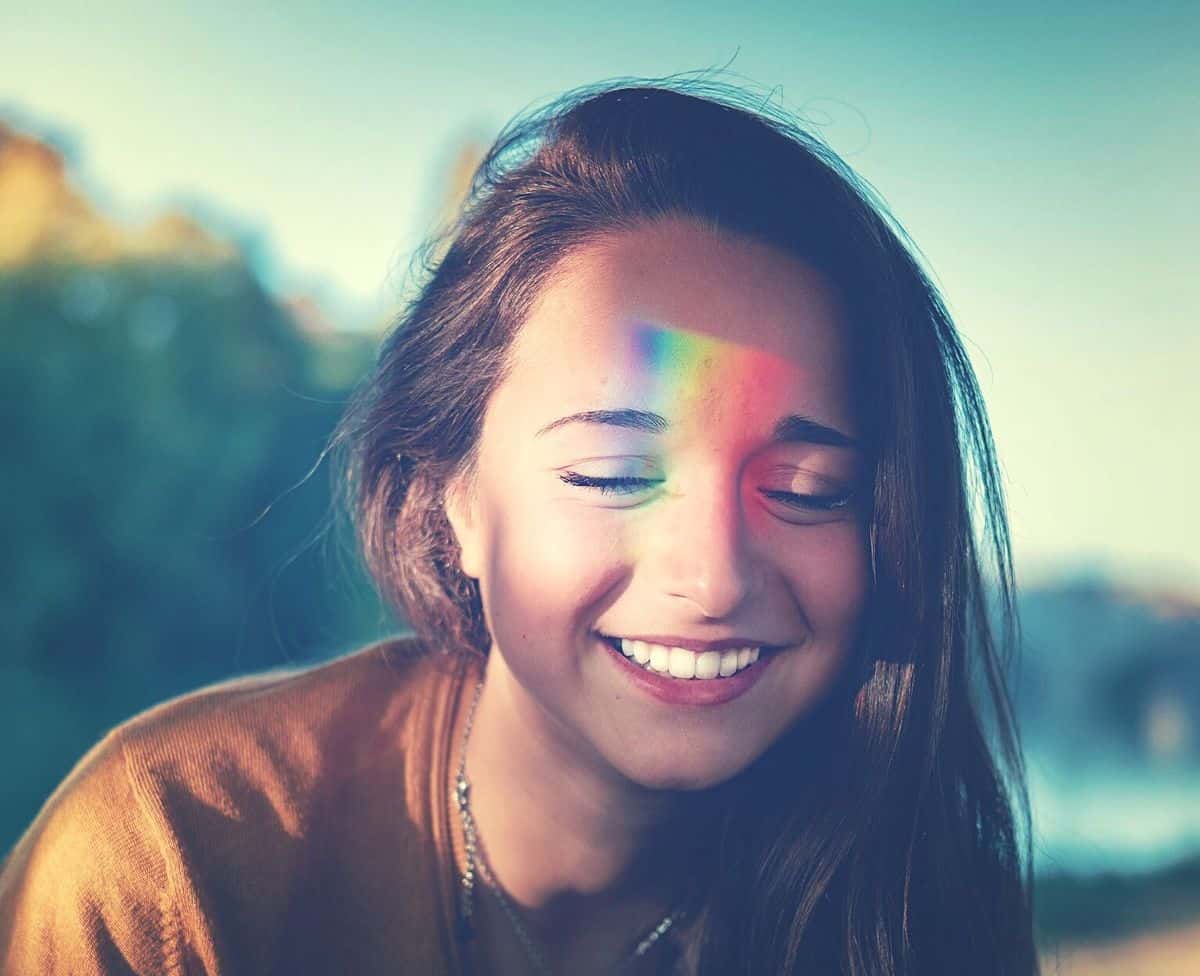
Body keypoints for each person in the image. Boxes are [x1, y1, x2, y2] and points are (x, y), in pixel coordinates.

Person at [0, 78, 1038, 975]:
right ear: (452, 492)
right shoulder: (173, 868)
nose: (714, 573)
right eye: (613, 471)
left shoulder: (916, 902)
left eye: (811, 488)